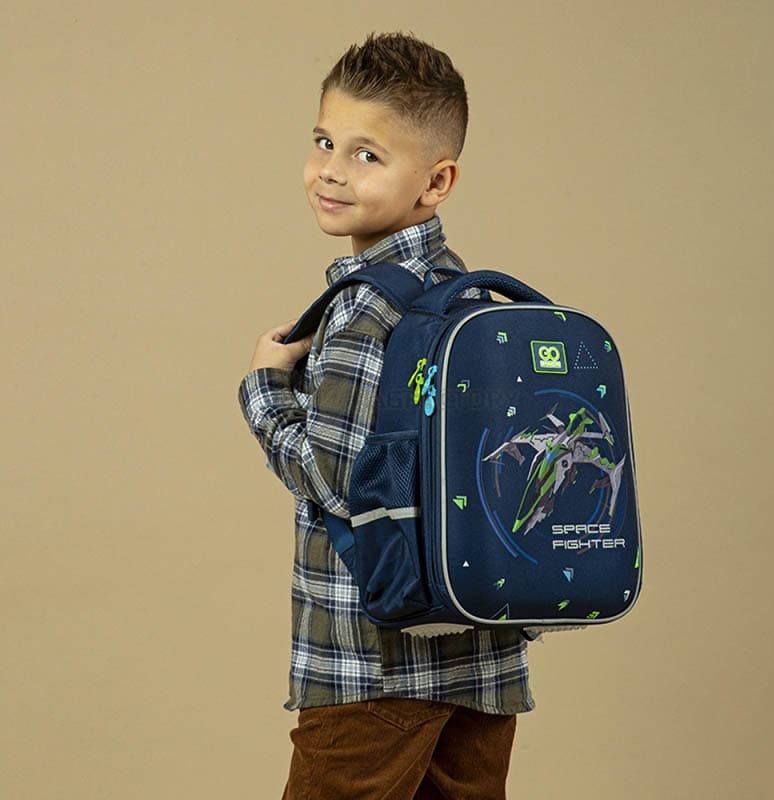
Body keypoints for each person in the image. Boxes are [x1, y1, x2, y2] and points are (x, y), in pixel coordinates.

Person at [238, 32, 532, 800]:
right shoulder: (468, 295)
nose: (332, 169)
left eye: (368, 154)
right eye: (324, 142)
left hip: (369, 663)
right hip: (481, 658)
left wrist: (265, 388)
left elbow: (335, 478)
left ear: (437, 181)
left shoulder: (365, 307)